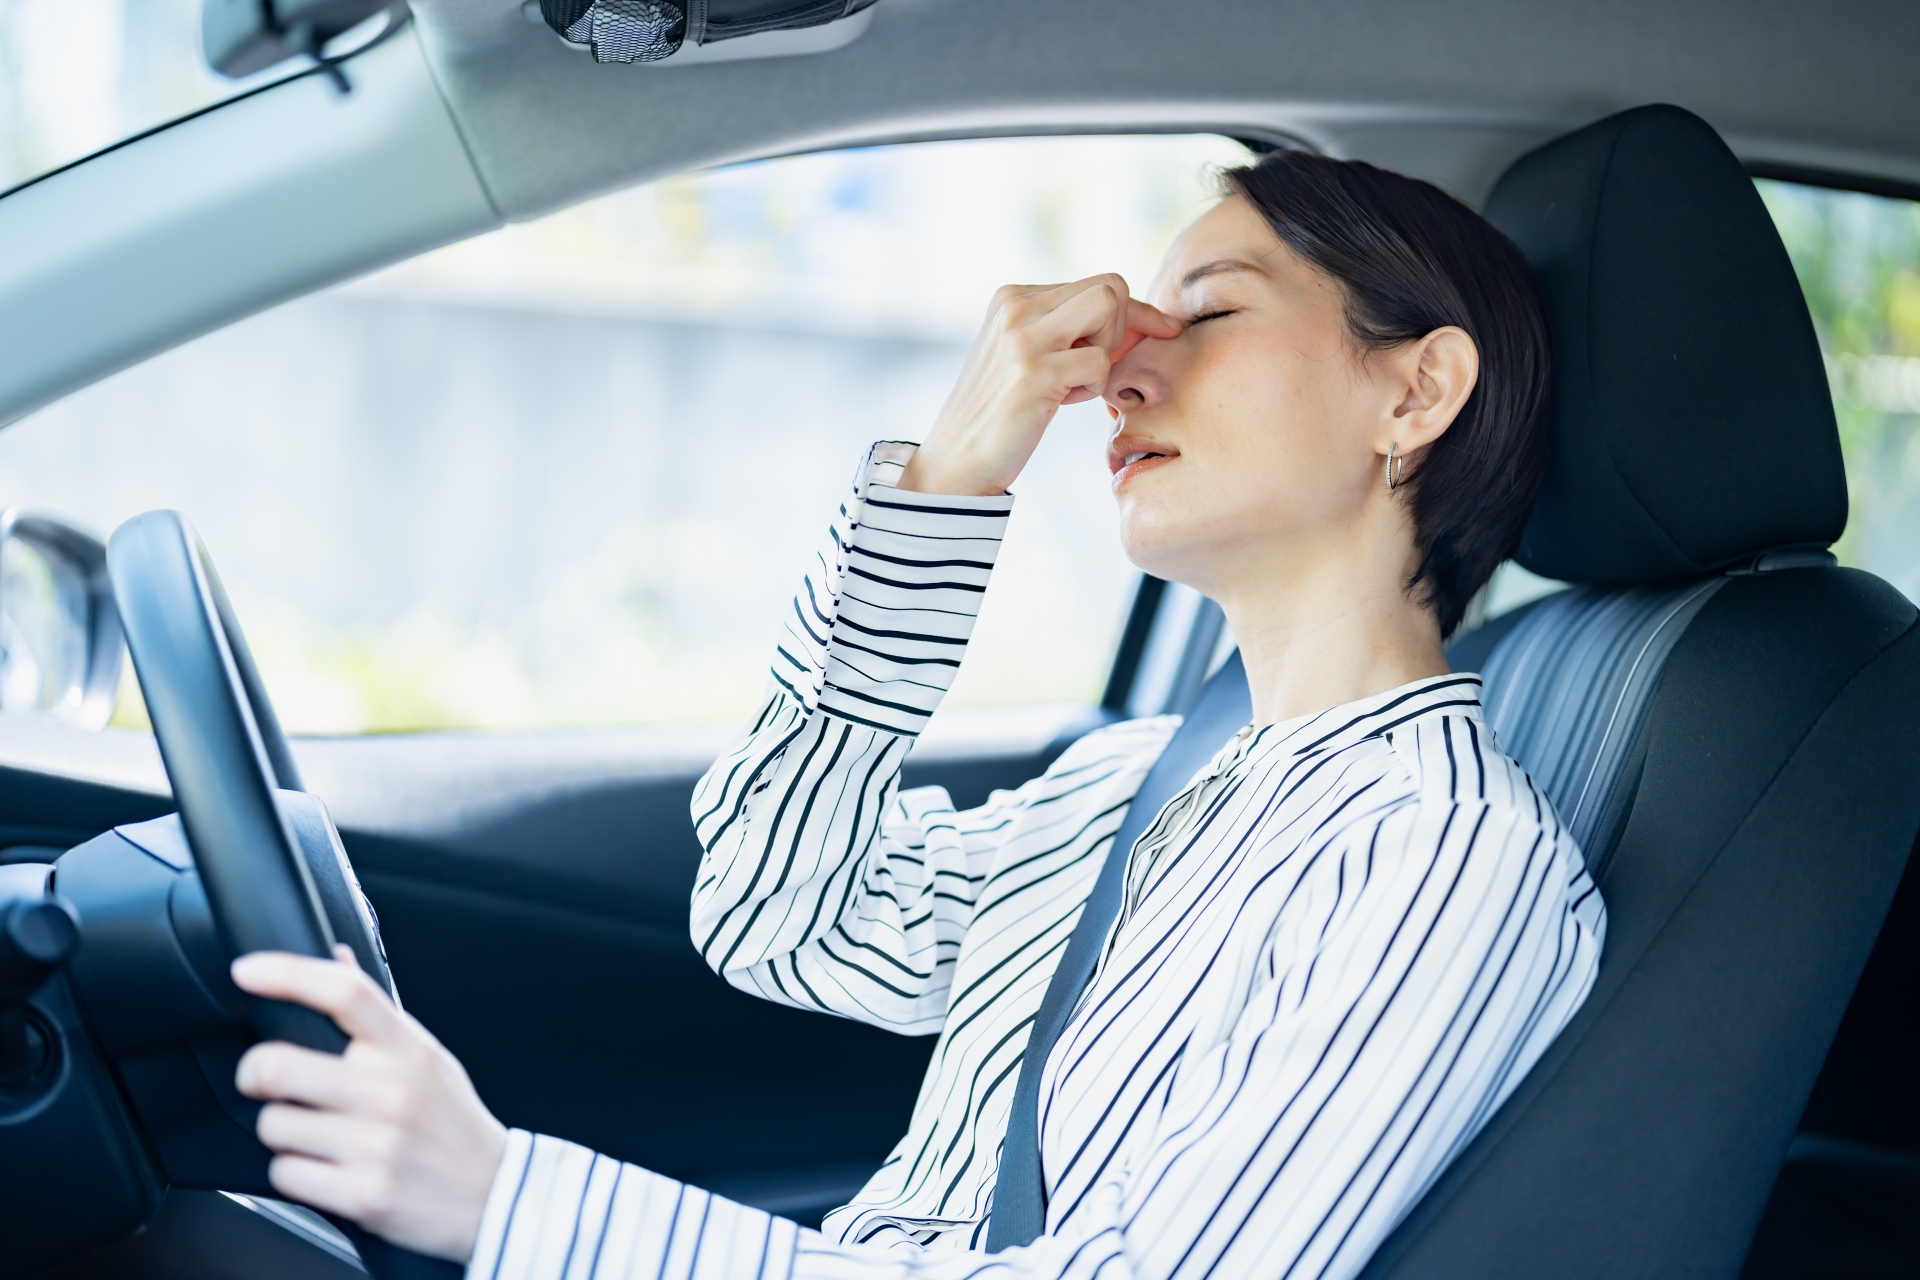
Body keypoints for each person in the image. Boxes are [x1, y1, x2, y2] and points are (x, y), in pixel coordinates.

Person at [228, 150, 1607, 1280]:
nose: (1123, 372)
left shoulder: (1441, 857)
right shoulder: (1134, 782)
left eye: (1213, 313)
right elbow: (780, 912)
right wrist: (948, 481)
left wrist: (510, 1203)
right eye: (1138, 325)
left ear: (1415, 390)